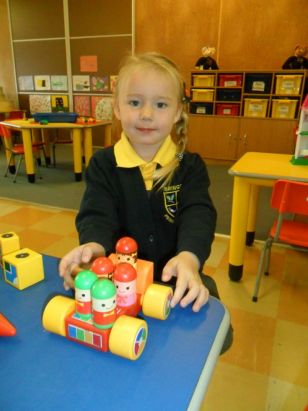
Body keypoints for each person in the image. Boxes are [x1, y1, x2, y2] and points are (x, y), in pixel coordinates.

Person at [59, 52, 232, 352]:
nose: (147, 114)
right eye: (135, 102)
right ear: (116, 107)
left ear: (178, 111)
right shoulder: (104, 164)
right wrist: (94, 247)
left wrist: (189, 259)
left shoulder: (188, 166)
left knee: (206, 339)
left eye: (161, 104)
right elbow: (96, 213)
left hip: (173, 280)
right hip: (116, 288)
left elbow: (198, 214)